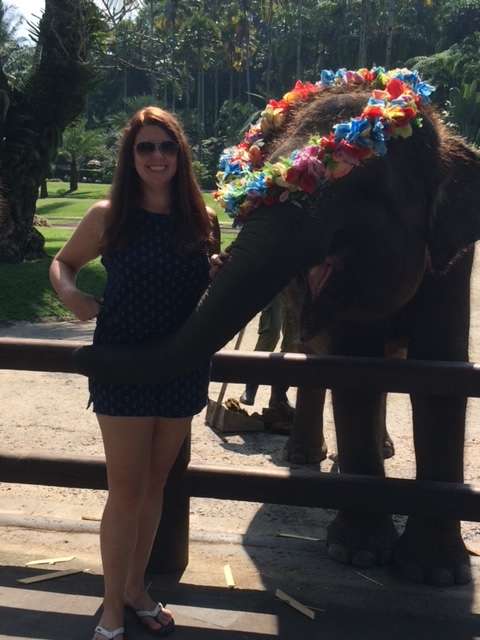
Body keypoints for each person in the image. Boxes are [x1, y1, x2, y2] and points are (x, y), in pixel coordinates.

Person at [50, 106, 217, 640]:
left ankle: (136, 587)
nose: (157, 157)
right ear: (131, 157)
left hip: (180, 364)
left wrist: (217, 271)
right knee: (125, 488)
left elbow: (207, 285)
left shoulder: (202, 219)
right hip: (122, 361)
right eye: (145, 147)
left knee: (155, 483)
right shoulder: (109, 215)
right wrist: (72, 296)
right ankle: (112, 607)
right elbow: (62, 263)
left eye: (166, 147)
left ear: (180, 155)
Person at [239, 288, 298, 408]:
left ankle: (279, 395)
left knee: (292, 344)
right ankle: (251, 385)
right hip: (276, 283)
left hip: (298, 284)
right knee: (270, 334)